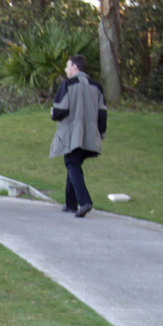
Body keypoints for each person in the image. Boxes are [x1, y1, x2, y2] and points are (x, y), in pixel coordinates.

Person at [50, 54, 107, 218]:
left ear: (75, 67)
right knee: (73, 163)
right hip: (90, 134)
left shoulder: (67, 84)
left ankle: (84, 201)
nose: (66, 70)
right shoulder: (97, 86)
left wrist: (53, 113)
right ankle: (70, 204)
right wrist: (101, 133)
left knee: (71, 162)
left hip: (73, 133)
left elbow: (60, 111)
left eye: (68, 66)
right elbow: (103, 113)